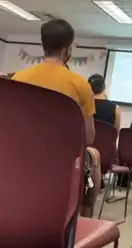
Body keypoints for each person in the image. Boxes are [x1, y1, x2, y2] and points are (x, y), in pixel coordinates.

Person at [12, 19, 101, 217]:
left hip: (20, 156)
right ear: (68, 49)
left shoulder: (18, 78)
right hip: (62, 163)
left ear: (43, 45)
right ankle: (83, 221)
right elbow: (88, 138)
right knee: (94, 155)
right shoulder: (80, 85)